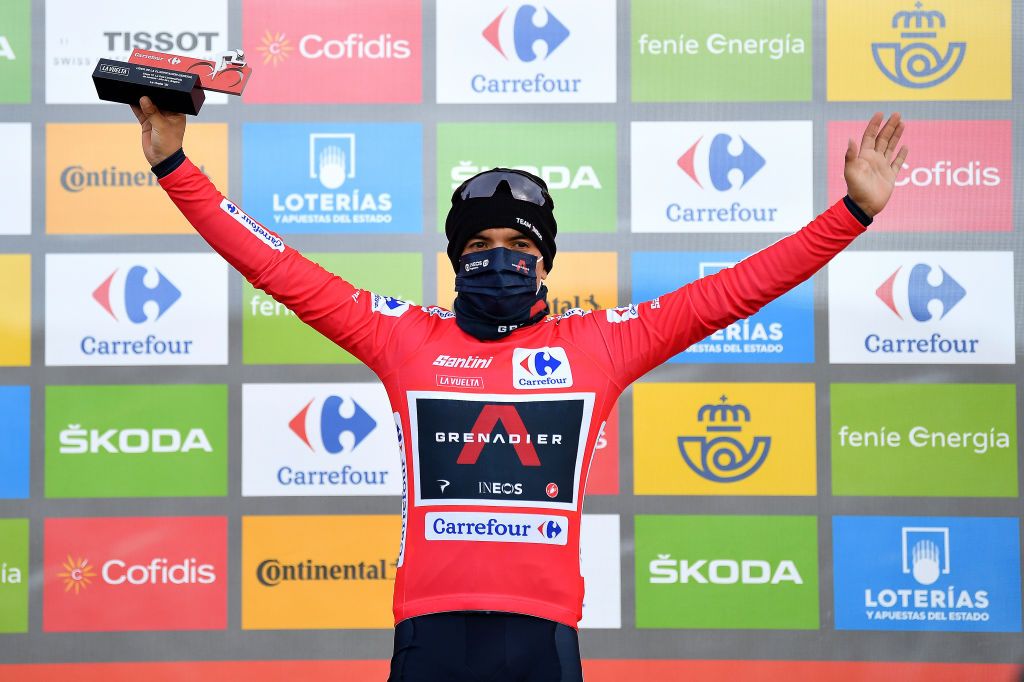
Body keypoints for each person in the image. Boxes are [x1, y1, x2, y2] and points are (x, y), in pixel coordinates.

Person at [131, 97, 907, 682]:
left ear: (545, 264)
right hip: (428, 634)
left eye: (518, 246)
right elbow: (273, 264)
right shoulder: (405, 338)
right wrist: (173, 165)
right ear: (453, 259)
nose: (499, 259)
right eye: (478, 246)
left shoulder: (598, 344)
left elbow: (733, 291)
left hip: (542, 637)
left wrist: (851, 214)